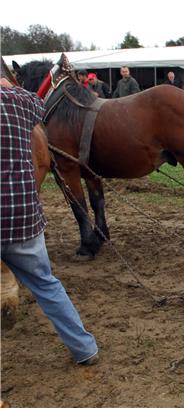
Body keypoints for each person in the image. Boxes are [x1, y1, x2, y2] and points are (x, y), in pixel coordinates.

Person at [0, 78, 99, 365]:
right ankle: (84, 349)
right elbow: (40, 105)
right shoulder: (20, 101)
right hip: (23, 216)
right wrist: (10, 87)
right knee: (47, 284)